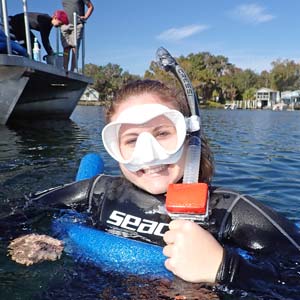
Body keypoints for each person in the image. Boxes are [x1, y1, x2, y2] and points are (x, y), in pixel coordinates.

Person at [1, 79, 300, 298]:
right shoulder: (96, 192)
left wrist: (224, 269)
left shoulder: (230, 211)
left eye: (162, 133)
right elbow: (16, 211)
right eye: (131, 140)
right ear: (115, 148)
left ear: (188, 137)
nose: (150, 153)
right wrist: (38, 236)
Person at [61, 0, 94, 71]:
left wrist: (86, 17)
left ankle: (72, 70)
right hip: (65, 24)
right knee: (66, 48)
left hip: (77, 24)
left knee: (74, 47)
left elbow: (91, 7)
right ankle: (65, 69)